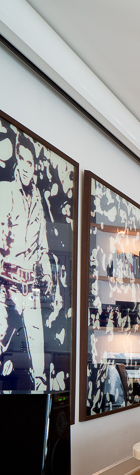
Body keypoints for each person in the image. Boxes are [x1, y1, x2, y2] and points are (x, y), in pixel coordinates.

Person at [0, 131, 52, 391]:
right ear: (18, 162)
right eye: (26, 162)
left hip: (30, 288)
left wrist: (49, 275)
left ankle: (40, 384)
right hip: (6, 285)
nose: (30, 169)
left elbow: (43, 244)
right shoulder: (6, 192)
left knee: (39, 366)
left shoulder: (38, 201)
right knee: (2, 341)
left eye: (33, 164)